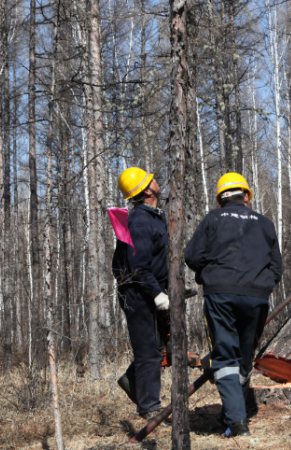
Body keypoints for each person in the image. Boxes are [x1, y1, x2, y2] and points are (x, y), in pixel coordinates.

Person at [184, 172, 283, 437]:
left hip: (220, 295)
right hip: (256, 297)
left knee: (225, 357)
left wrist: (210, 274)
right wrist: (261, 287)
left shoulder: (213, 219)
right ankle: (230, 416)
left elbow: (192, 256)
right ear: (246, 196)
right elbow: (277, 267)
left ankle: (237, 422)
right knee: (244, 359)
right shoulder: (265, 223)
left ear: (221, 200)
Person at [112, 167, 169, 420]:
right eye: (153, 180)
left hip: (151, 290)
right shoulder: (140, 220)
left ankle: (132, 380)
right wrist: (157, 294)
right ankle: (150, 409)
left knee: (160, 349)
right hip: (138, 293)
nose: (157, 182)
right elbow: (138, 266)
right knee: (148, 352)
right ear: (147, 190)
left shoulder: (154, 216)